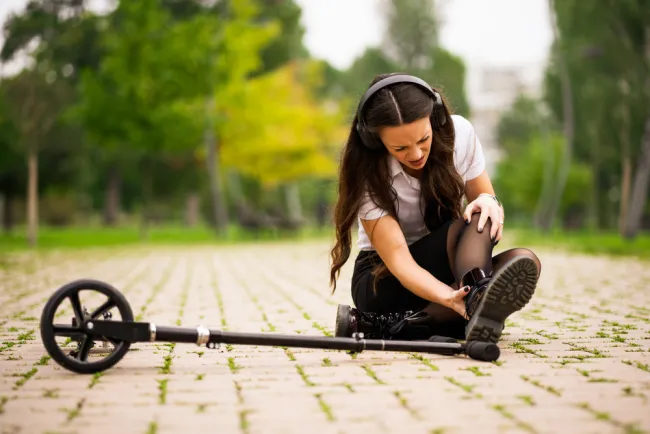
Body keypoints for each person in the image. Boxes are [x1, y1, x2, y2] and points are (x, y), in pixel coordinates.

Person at [328, 73, 541, 343]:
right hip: (384, 278)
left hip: (451, 268)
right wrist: (447, 297)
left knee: (520, 255)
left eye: (423, 139)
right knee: (458, 230)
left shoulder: (460, 134)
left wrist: (490, 201)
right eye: (400, 147)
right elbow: (399, 261)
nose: (416, 154)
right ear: (375, 141)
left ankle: (406, 323)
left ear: (436, 118)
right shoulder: (368, 171)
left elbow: (486, 205)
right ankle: (467, 304)